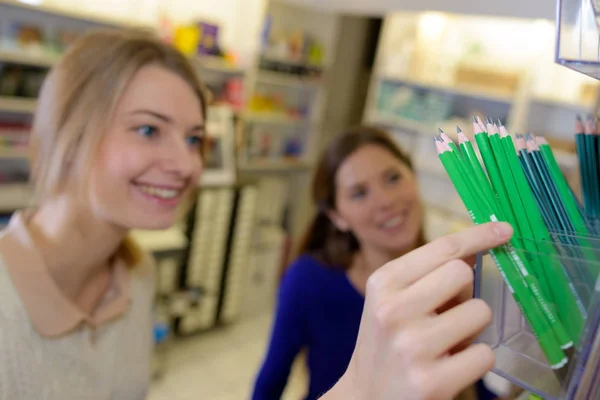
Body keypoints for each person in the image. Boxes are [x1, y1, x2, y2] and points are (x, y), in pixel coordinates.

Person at [0, 29, 512, 400]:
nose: (187, 165)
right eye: (149, 130)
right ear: (68, 131)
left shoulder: (135, 277)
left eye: (196, 139)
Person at [252, 127, 498, 400]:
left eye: (393, 178)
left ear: (413, 177)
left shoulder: (448, 278)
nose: (386, 200)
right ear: (336, 216)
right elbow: (270, 382)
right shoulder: (307, 280)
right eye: (359, 193)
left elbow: (473, 386)